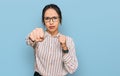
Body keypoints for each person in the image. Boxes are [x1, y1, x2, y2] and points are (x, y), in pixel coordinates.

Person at [26, 4, 78, 76]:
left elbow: (72, 68)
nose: (51, 22)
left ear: (60, 19)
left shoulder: (68, 41)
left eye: (54, 18)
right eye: (47, 18)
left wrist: (64, 47)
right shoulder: (39, 36)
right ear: (43, 21)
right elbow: (28, 41)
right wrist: (32, 37)